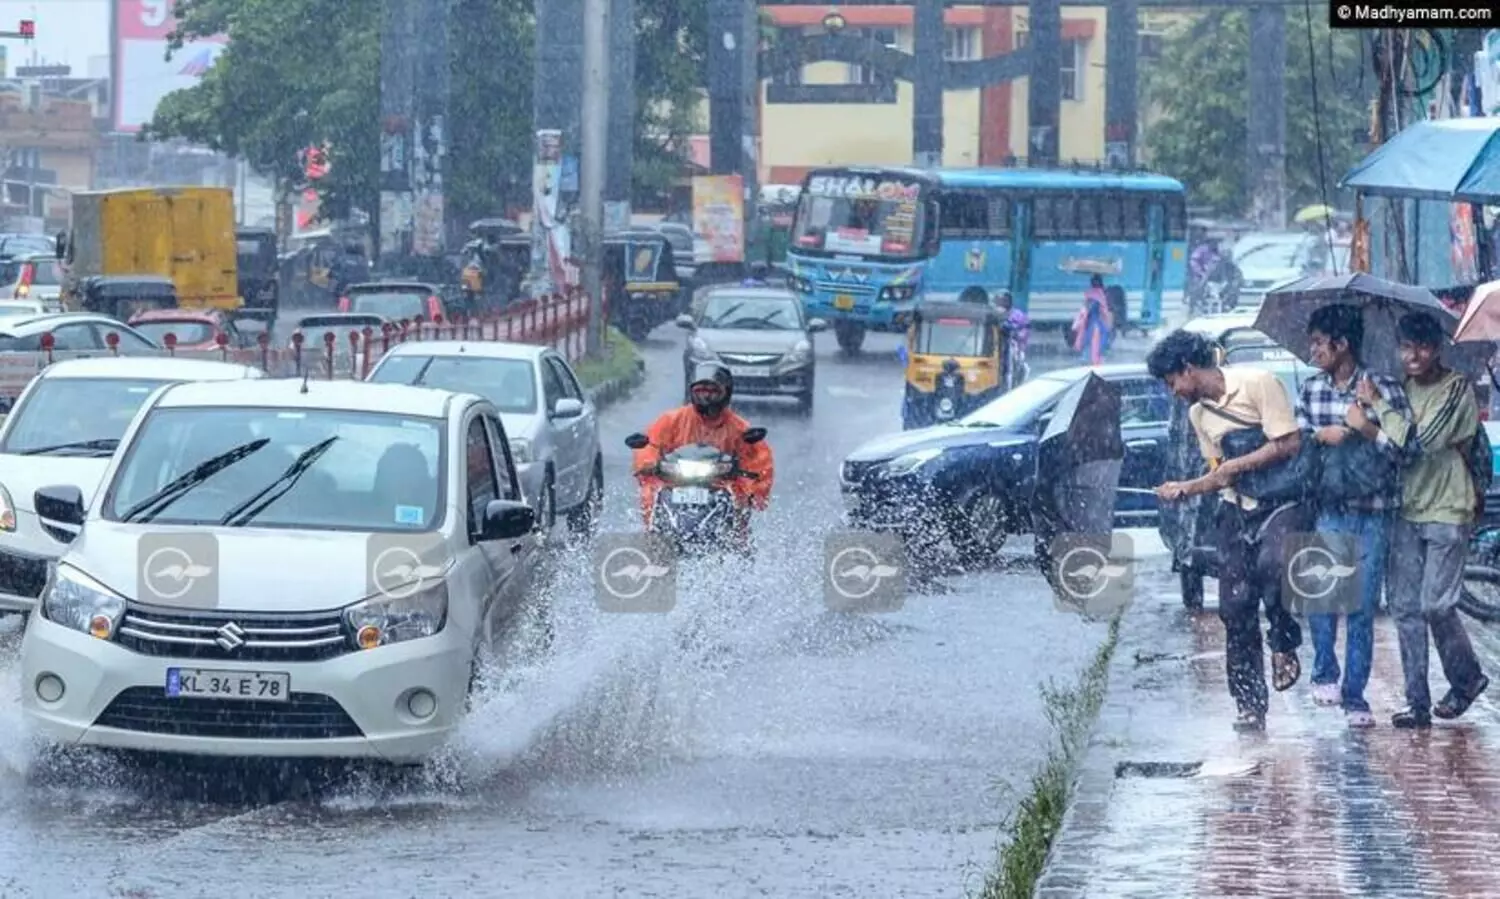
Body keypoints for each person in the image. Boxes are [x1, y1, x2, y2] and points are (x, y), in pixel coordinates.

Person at [1150, 330, 1311, 732]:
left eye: (1174, 383)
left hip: (1282, 502)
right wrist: (1185, 488)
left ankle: (1284, 643)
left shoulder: (1258, 384)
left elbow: (1288, 443)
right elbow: (1217, 474)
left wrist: (1238, 466)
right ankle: (1249, 703)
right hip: (1235, 511)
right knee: (1235, 607)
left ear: (1188, 368)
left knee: (1275, 568)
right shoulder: (1197, 416)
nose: (1174, 393)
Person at [1362, 312, 1489, 728]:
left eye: (1422, 347)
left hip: (1448, 507)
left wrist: (1378, 410)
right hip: (1405, 509)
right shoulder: (1401, 389)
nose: (1413, 356)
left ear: (1436, 348)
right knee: (1404, 609)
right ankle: (1416, 702)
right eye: (1406, 347)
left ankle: (1467, 678)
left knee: (1437, 604)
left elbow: (1420, 443)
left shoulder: (1456, 389)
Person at [1294, 304, 1413, 728]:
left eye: (1319, 343)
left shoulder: (1381, 387)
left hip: (1374, 512)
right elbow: (1296, 444)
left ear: (1342, 344)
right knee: (1322, 596)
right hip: (1328, 507)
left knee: (1362, 607)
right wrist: (1319, 436)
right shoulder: (1310, 390)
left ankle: (1355, 697)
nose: (1314, 352)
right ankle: (1324, 671)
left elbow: (1403, 450)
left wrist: (1365, 425)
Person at [632, 363, 774, 549]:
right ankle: (651, 535)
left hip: (721, 485)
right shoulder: (671, 420)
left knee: (740, 504)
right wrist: (648, 464)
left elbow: (759, 460)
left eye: (713, 392)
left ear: (727, 393)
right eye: (700, 391)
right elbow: (650, 444)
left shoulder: (740, 428)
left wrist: (750, 487)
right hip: (675, 482)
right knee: (651, 491)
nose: (706, 397)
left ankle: (738, 544)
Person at [1072, 274, 1113, 365]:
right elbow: (1105, 310)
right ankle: (1095, 360)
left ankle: (1088, 359)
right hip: (1099, 324)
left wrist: (1082, 319)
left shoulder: (1091, 294)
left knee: (1089, 342)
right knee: (1098, 343)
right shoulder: (1102, 294)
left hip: (1092, 323)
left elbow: (1087, 310)